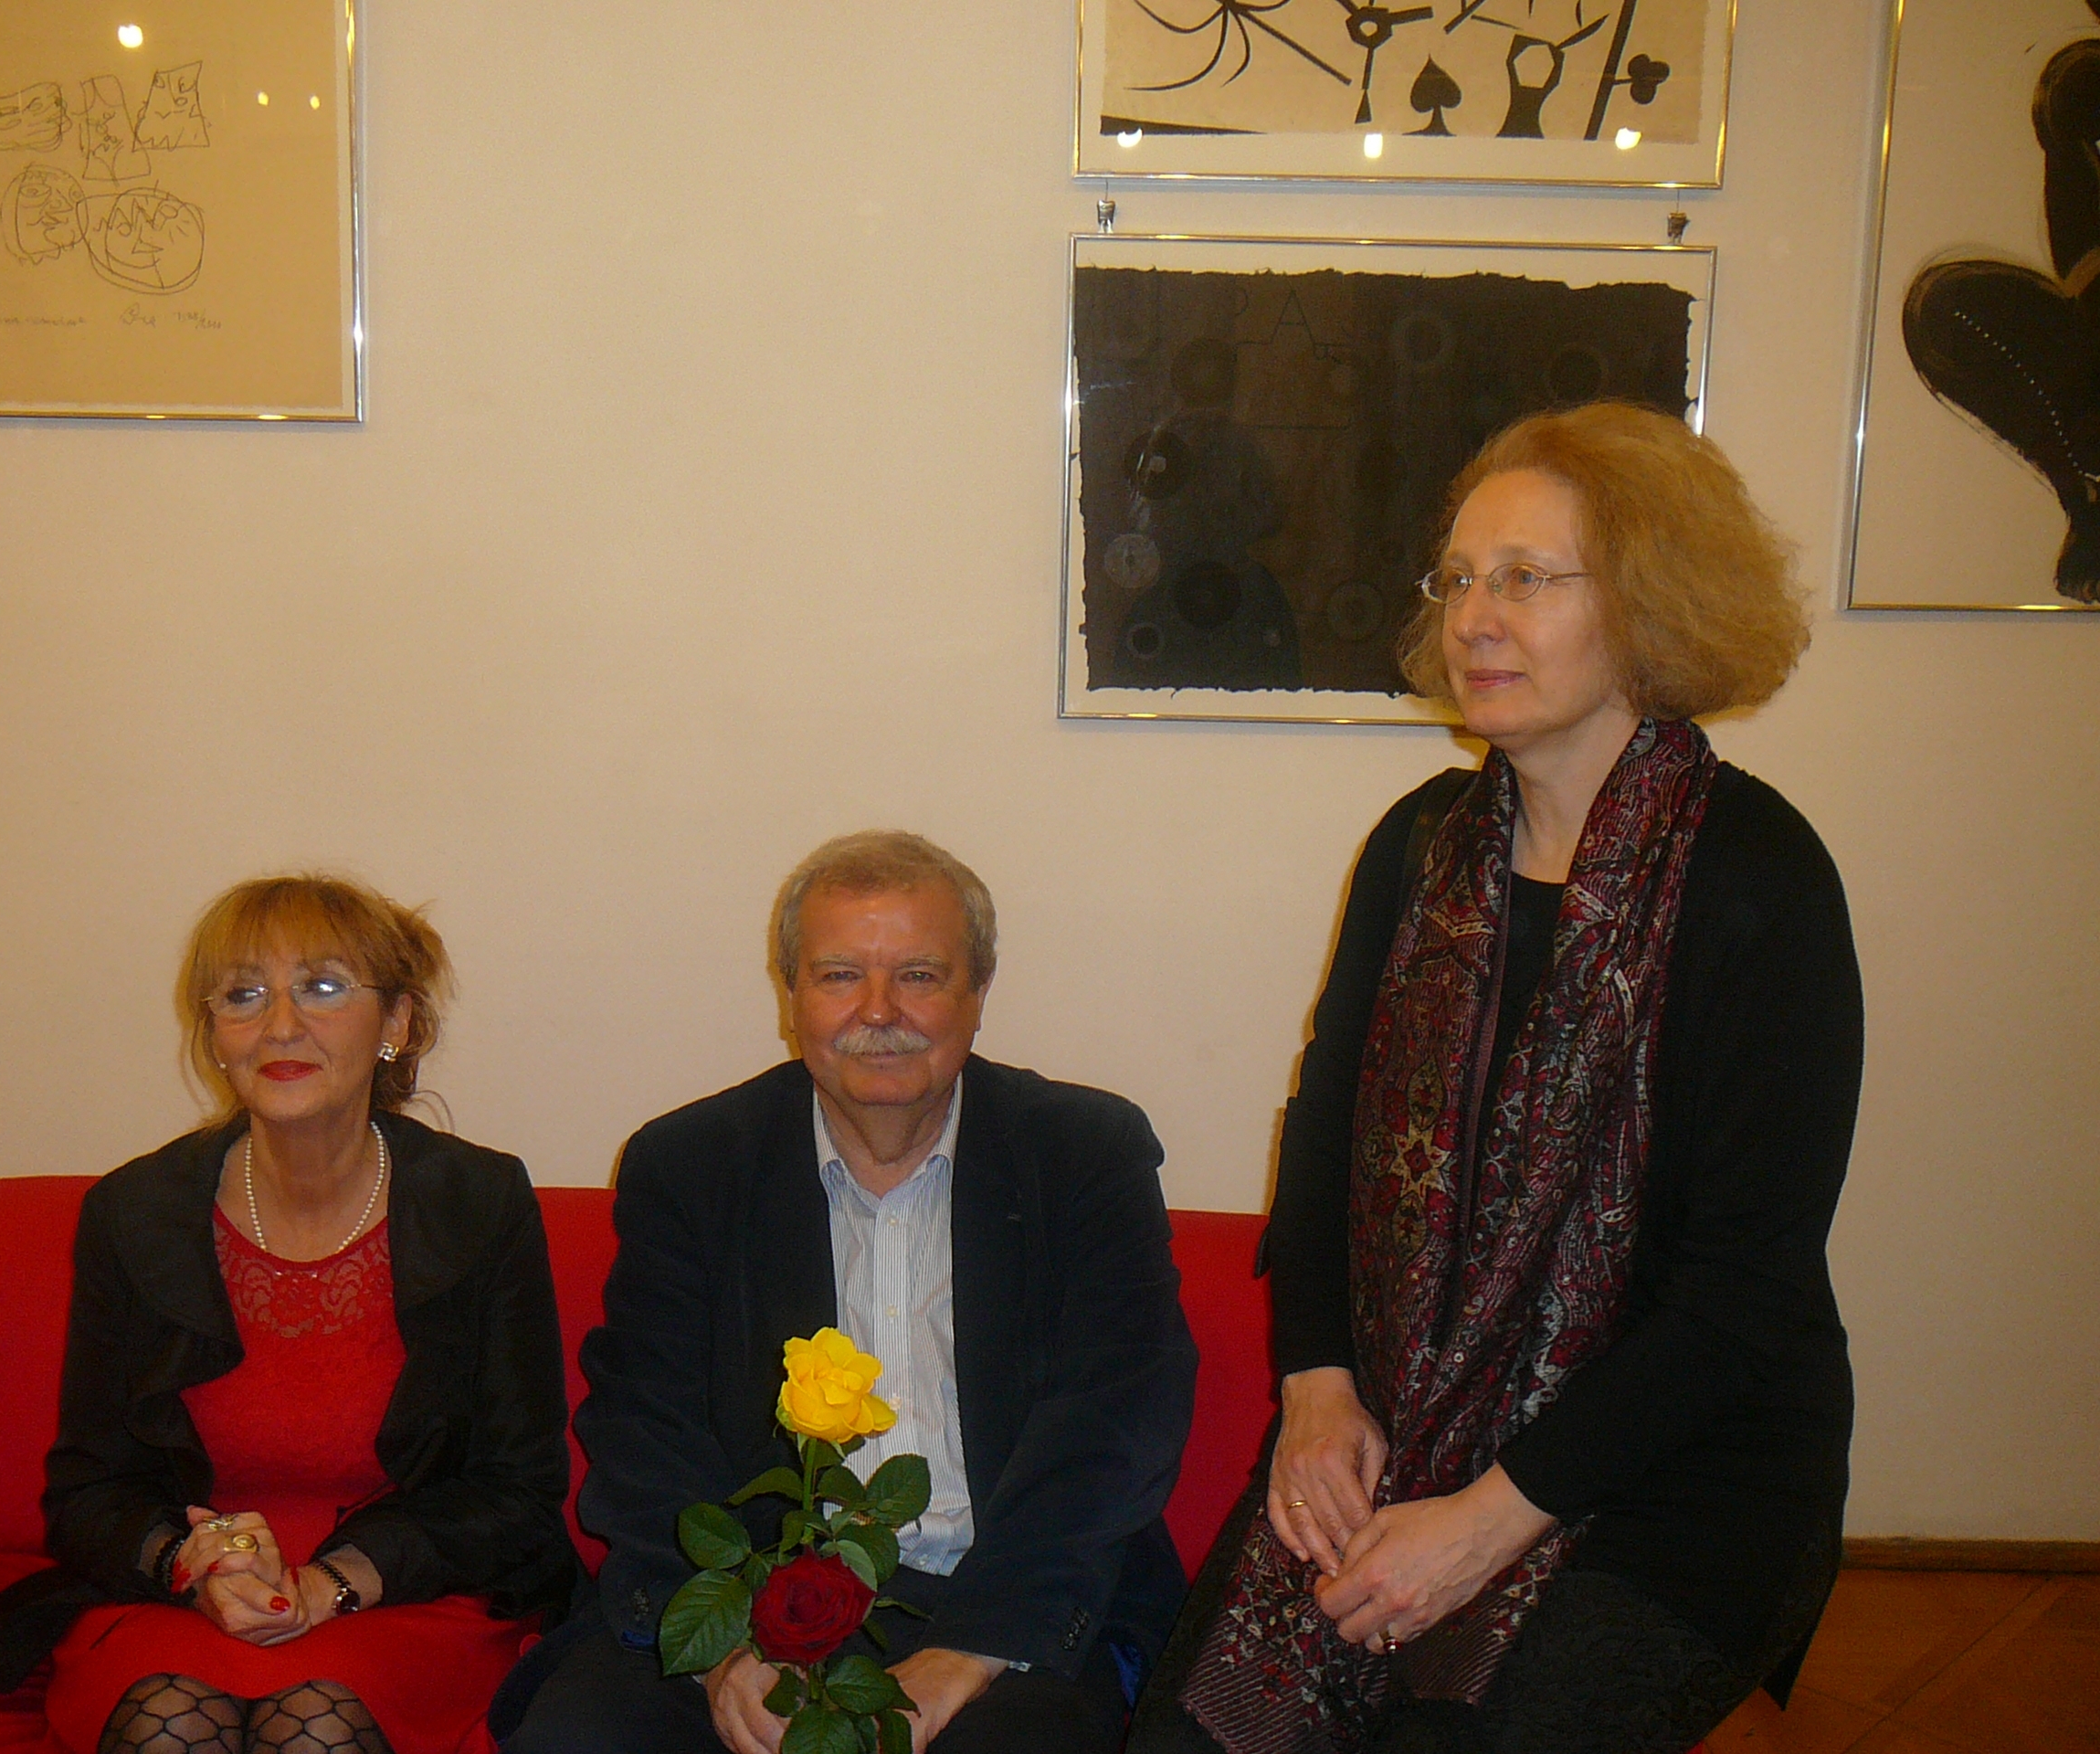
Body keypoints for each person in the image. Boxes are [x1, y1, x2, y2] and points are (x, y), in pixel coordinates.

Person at [1137, 403, 1863, 1754]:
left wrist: (1483, 1522)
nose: (1475, 617)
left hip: (1677, 1472)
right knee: (1196, 1735)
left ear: (1644, 604)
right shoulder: (1419, 848)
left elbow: (1742, 1294)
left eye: (1527, 578)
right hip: (1404, 1418)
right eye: (1461, 577)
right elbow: (1325, 1138)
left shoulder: (1758, 877)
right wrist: (1316, 1388)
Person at [497, 831, 1198, 1754]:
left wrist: (970, 1651)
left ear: (979, 991)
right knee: (580, 1740)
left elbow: (1114, 1428)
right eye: (838, 977)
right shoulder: (691, 1164)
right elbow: (643, 1429)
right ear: (791, 996)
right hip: (753, 1602)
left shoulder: (1083, 1154)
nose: (878, 1011)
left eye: (919, 975)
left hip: (1005, 1605)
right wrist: (724, 1653)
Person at [0, 875, 580, 1754]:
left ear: (397, 1023)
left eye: (322, 986)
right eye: (244, 995)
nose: (280, 1025)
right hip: (185, 1599)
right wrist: (188, 1561)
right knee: (168, 1721)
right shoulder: (135, 1213)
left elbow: (519, 1488)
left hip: (403, 1592)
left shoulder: (480, 1201)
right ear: (215, 1033)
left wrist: (332, 1585)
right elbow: (88, 1488)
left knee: (314, 1725)